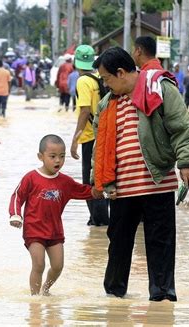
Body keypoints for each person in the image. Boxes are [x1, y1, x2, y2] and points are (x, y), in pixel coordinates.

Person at [92, 47, 189, 301]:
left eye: (107, 79)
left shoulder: (159, 88)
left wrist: (187, 162)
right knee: (118, 244)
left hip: (157, 182)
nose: (106, 85)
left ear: (121, 72)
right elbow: (100, 146)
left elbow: (181, 127)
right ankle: (113, 297)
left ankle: (162, 297)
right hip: (120, 187)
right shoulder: (107, 103)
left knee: (160, 243)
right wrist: (96, 180)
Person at [9, 134, 101, 296]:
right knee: (39, 265)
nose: (58, 161)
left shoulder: (65, 182)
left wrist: (101, 191)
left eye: (62, 156)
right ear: (41, 157)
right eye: (52, 157)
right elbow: (17, 196)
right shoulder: (31, 178)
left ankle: (46, 289)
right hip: (34, 230)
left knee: (58, 266)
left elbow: (84, 191)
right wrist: (16, 215)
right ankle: (35, 299)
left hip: (55, 231)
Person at [70, 44, 109, 226]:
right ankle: (99, 220)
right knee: (100, 177)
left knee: (90, 182)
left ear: (76, 63)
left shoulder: (83, 81)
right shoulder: (98, 78)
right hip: (102, 134)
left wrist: (75, 139)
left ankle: (99, 221)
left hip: (89, 137)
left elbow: (85, 111)